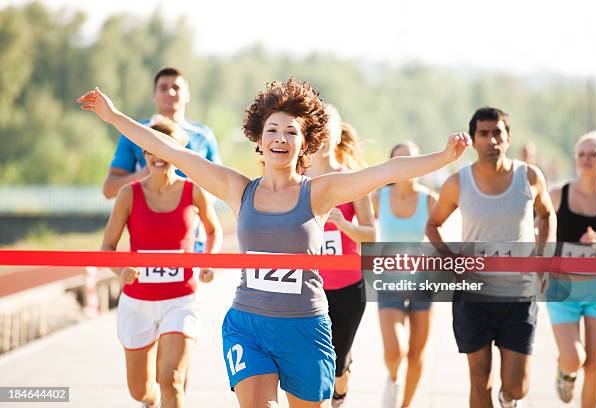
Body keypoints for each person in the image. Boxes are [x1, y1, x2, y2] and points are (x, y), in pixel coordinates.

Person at [78, 78, 470, 407]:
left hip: (305, 327)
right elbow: (171, 149)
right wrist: (111, 116)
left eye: (291, 132)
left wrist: (443, 156)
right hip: (249, 326)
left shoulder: (320, 192)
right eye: (272, 130)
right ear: (259, 139)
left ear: (305, 143)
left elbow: (386, 171)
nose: (280, 139)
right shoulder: (237, 189)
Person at [426, 107, 557, 408]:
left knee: (517, 386)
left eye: (497, 132)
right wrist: (451, 259)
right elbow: (432, 225)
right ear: (473, 140)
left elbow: (547, 215)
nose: (491, 140)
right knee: (479, 379)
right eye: (483, 134)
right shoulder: (458, 183)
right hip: (474, 294)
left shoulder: (530, 176)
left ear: (508, 137)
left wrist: (543, 256)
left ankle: (508, 399)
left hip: (519, 293)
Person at [100, 119, 223, 408]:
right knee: (140, 390)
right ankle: (152, 401)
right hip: (138, 300)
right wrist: (121, 270)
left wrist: (208, 260)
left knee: (171, 380)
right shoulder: (129, 194)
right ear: (143, 154)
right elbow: (107, 246)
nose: (158, 155)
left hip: (181, 298)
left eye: (165, 148)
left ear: (178, 152)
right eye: (151, 149)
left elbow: (214, 230)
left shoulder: (193, 191)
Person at [103, 66, 222, 252]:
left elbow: (219, 186)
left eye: (176, 87)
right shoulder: (133, 133)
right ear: (154, 94)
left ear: (187, 94)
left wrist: (194, 205)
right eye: (163, 87)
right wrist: (146, 173)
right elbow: (109, 189)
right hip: (149, 242)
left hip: (192, 241)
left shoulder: (203, 136)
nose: (170, 92)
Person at [304, 107, 376, 407]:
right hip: (307, 286)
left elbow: (372, 234)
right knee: (311, 357)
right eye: (315, 129)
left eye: (326, 129)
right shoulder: (298, 180)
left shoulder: (354, 180)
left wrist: (344, 226)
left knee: (338, 359)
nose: (320, 137)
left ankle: (340, 390)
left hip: (347, 287)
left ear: (335, 135)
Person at [547, 131, 596, 408]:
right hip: (563, 289)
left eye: (594, 154)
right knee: (575, 358)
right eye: (582, 154)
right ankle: (565, 370)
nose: (587, 159)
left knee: (595, 364)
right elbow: (536, 234)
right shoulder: (557, 196)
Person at [373, 142, 437, 408]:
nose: (405, 168)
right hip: (389, 281)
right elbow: (365, 229)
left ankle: (404, 405)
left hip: (424, 281)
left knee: (416, 352)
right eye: (398, 162)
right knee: (394, 350)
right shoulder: (378, 199)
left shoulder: (430, 200)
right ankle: (393, 377)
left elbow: (441, 240)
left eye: (411, 161)